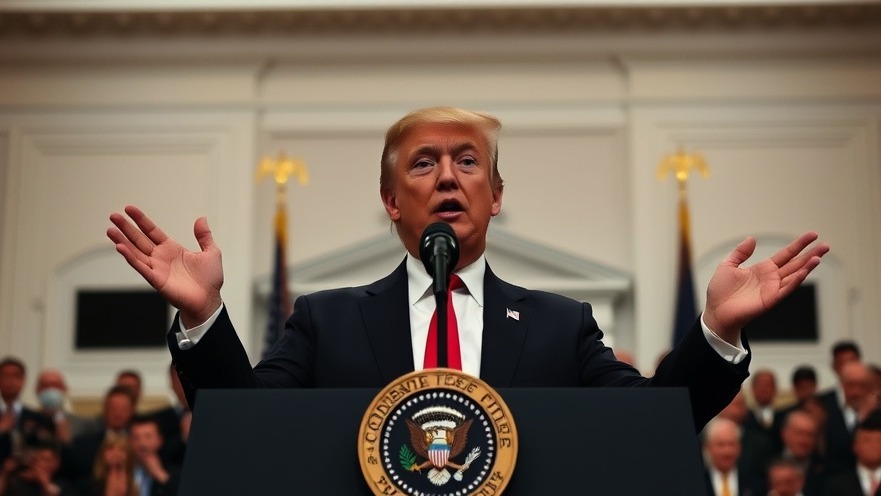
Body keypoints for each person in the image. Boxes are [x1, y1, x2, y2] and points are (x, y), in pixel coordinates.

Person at [106, 106, 829, 432]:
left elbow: (648, 422)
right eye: (424, 164)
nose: (448, 177)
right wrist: (203, 315)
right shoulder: (324, 321)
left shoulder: (559, 324)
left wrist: (715, 333)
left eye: (467, 162)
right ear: (391, 201)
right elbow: (250, 426)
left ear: (496, 195)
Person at [1, 357, 55, 465]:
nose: (10, 381)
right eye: (5, 376)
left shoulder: (39, 417)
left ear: (23, 381)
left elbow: (48, 449)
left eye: (15, 376)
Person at [822, 408, 881, 496]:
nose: (873, 446)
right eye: (867, 440)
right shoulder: (836, 485)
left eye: (878, 441)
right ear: (855, 446)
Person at [34, 368, 100, 444]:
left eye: (55, 386)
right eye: (45, 386)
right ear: (37, 390)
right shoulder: (28, 422)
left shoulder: (83, 425)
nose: (50, 390)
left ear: (65, 390)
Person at [702, 416, 758, 496]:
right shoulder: (698, 480)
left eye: (731, 444)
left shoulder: (753, 480)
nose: (727, 452)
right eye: (721, 445)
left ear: (739, 447)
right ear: (707, 447)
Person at [128, 416, 180, 496]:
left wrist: (161, 476)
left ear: (160, 440)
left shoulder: (175, 474)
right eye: (136, 437)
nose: (142, 443)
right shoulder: (123, 471)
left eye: (148, 436)